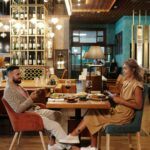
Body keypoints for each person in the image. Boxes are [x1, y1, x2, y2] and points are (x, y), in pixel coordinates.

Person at [59, 58, 144, 150]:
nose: (123, 71)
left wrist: (120, 101)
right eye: (123, 68)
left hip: (124, 115)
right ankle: (87, 143)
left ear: (133, 70)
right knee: (93, 111)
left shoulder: (136, 85)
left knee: (93, 115)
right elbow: (126, 97)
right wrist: (114, 95)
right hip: (118, 110)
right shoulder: (126, 82)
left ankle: (76, 136)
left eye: (125, 69)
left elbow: (139, 105)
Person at [3, 66, 73, 150]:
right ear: (10, 75)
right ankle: (70, 147)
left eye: (20, 73)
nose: (20, 75)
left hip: (35, 111)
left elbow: (26, 101)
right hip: (28, 116)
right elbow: (18, 110)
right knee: (55, 125)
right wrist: (31, 98)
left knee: (58, 115)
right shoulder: (8, 91)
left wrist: (34, 96)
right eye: (18, 74)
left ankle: (53, 143)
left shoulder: (17, 86)